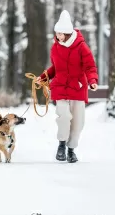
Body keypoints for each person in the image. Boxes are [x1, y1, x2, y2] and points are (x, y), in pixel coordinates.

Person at [36, 10, 98, 163]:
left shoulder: (81, 47)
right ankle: (61, 145)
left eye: (61, 34)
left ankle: (71, 150)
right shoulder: (55, 48)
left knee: (78, 122)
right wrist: (43, 78)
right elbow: (55, 68)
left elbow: (90, 66)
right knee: (63, 117)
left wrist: (92, 80)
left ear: (69, 33)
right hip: (60, 87)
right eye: (57, 33)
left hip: (77, 88)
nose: (58, 37)